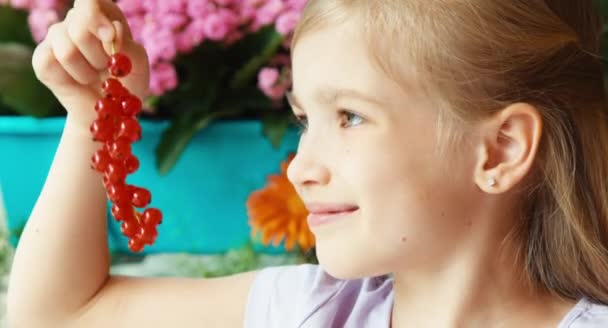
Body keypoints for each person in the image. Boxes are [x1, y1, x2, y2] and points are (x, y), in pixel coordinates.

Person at [7, 0, 608, 327]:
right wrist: (98, 110)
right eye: (303, 120)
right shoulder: (311, 309)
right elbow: (56, 315)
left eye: (349, 117)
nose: (299, 168)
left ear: (500, 149)